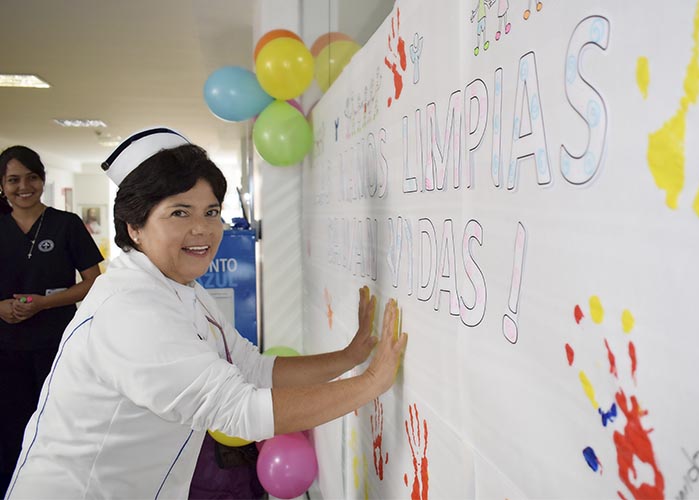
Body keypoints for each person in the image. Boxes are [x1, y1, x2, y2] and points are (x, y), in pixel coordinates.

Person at [5, 128, 408, 499]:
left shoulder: (183, 288)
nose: (202, 229)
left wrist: (350, 357)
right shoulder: (131, 310)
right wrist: (370, 383)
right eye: (179, 213)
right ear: (134, 228)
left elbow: (252, 368)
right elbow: (240, 412)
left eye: (211, 212)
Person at [0, 146, 104, 496]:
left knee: (59, 424)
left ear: (42, 180)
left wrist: (44, 303)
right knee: (10, 430)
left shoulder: (66, 225)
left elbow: (93, 281)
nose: (23, 187)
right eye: (13, 180)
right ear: (2, 185)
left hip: (56, 345)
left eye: (31, 177)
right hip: (5, 349)